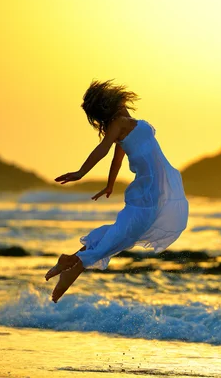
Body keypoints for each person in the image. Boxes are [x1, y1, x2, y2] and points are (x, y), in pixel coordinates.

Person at [45, 80, 189, 302]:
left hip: (153, 190)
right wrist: (82, 172)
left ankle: (69, 261)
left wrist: (110, 185)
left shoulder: (128, 123)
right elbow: (104, 149)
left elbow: (117, 159)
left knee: (121, 234)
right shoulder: (119, 123)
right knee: (122, 236)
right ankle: (74, 269)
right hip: (147, 192)